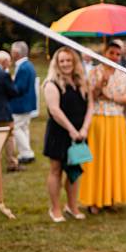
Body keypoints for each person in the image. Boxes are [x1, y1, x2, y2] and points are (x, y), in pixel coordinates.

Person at [78, 41, 126, 213]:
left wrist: (110, 96)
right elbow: (90, 97)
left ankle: (110, 198)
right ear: (104, 53)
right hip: (98, 119)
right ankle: (94, 200)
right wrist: (100, 84)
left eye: (117, 54)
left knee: (113, 159)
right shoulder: (94, 72)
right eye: (111, 53)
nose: (114, 57)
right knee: (97, 160)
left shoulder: (122, 74)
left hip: (116, 120)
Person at [42, 47, 92, 222]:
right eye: (62, 61)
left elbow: (90, 106)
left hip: (80, 132)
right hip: (59, 132)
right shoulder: (51, 84)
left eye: (69, 60)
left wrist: (84, 129)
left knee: (75, 170)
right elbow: (54, 110)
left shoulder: (82, 81)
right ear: (56, 63)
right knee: (56, 170)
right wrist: (71, 130)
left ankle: (72, 206)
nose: (65, 64)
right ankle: (55, 209)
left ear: (74, 62)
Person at [8, 42, 40, 166]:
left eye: (12, 51)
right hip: (27, 103)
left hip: (21, 104)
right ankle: (24, 153)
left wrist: (9, 84)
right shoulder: (28, 65)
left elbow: (19, 88)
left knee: (16, 128)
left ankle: (27, 153)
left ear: (16, 53)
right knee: (24, 128)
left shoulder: (23, 67)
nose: (11, 53)